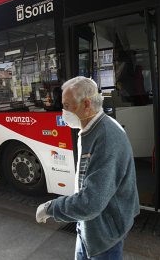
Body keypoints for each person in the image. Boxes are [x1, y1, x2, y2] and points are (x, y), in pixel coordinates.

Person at [36, 76, 140, 260]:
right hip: (89, 228)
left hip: (104, 237)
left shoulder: (107, 137)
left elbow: (90, 203)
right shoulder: (89, 128)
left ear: (86, 105)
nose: (63, 112)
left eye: (67, 106)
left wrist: (51, 207)